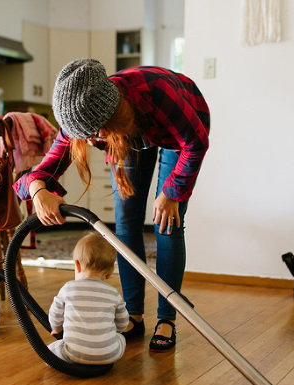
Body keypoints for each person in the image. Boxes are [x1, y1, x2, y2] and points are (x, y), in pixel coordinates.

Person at [14, 58, 210, 352]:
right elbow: (41, 170)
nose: (92, 142)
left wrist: (172, 193)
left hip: (176, 133)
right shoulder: (78, 118)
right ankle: (133, 315)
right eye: (85, 136)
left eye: (97, 132)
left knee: (166, 223)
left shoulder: (158, 93)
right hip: (126, 137)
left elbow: (196, 142)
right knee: (126, 222)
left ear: (113, 115)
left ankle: (166, 318)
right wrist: (38, 189)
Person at [47, 232, 129, 364]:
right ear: (109, 272)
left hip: (73, 353)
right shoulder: (114, 293)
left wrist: (56, 328)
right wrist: (115, 331)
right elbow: (123, 323)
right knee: (121, 338)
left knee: (49, 351)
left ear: (77, 265)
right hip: (109, 354)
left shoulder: (68, 288)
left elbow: (55, 313)